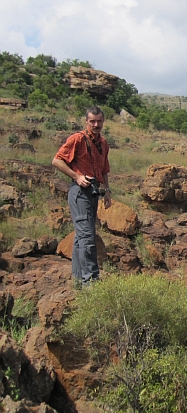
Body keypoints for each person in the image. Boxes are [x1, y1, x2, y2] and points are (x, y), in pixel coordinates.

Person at [52, 106, 112, 286]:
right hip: (80, 192)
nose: (96, 124)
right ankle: (91, 283)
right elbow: (57, 160)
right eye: (92, 121)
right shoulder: (77, 139)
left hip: (94, 191)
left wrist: (107, 190)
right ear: (86, 122)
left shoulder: (103, 143)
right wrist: (77, 176)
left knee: (81, 237)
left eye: (99, 121)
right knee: (87, 237)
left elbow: (105, 169)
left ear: (103, 122)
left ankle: (79, 281)